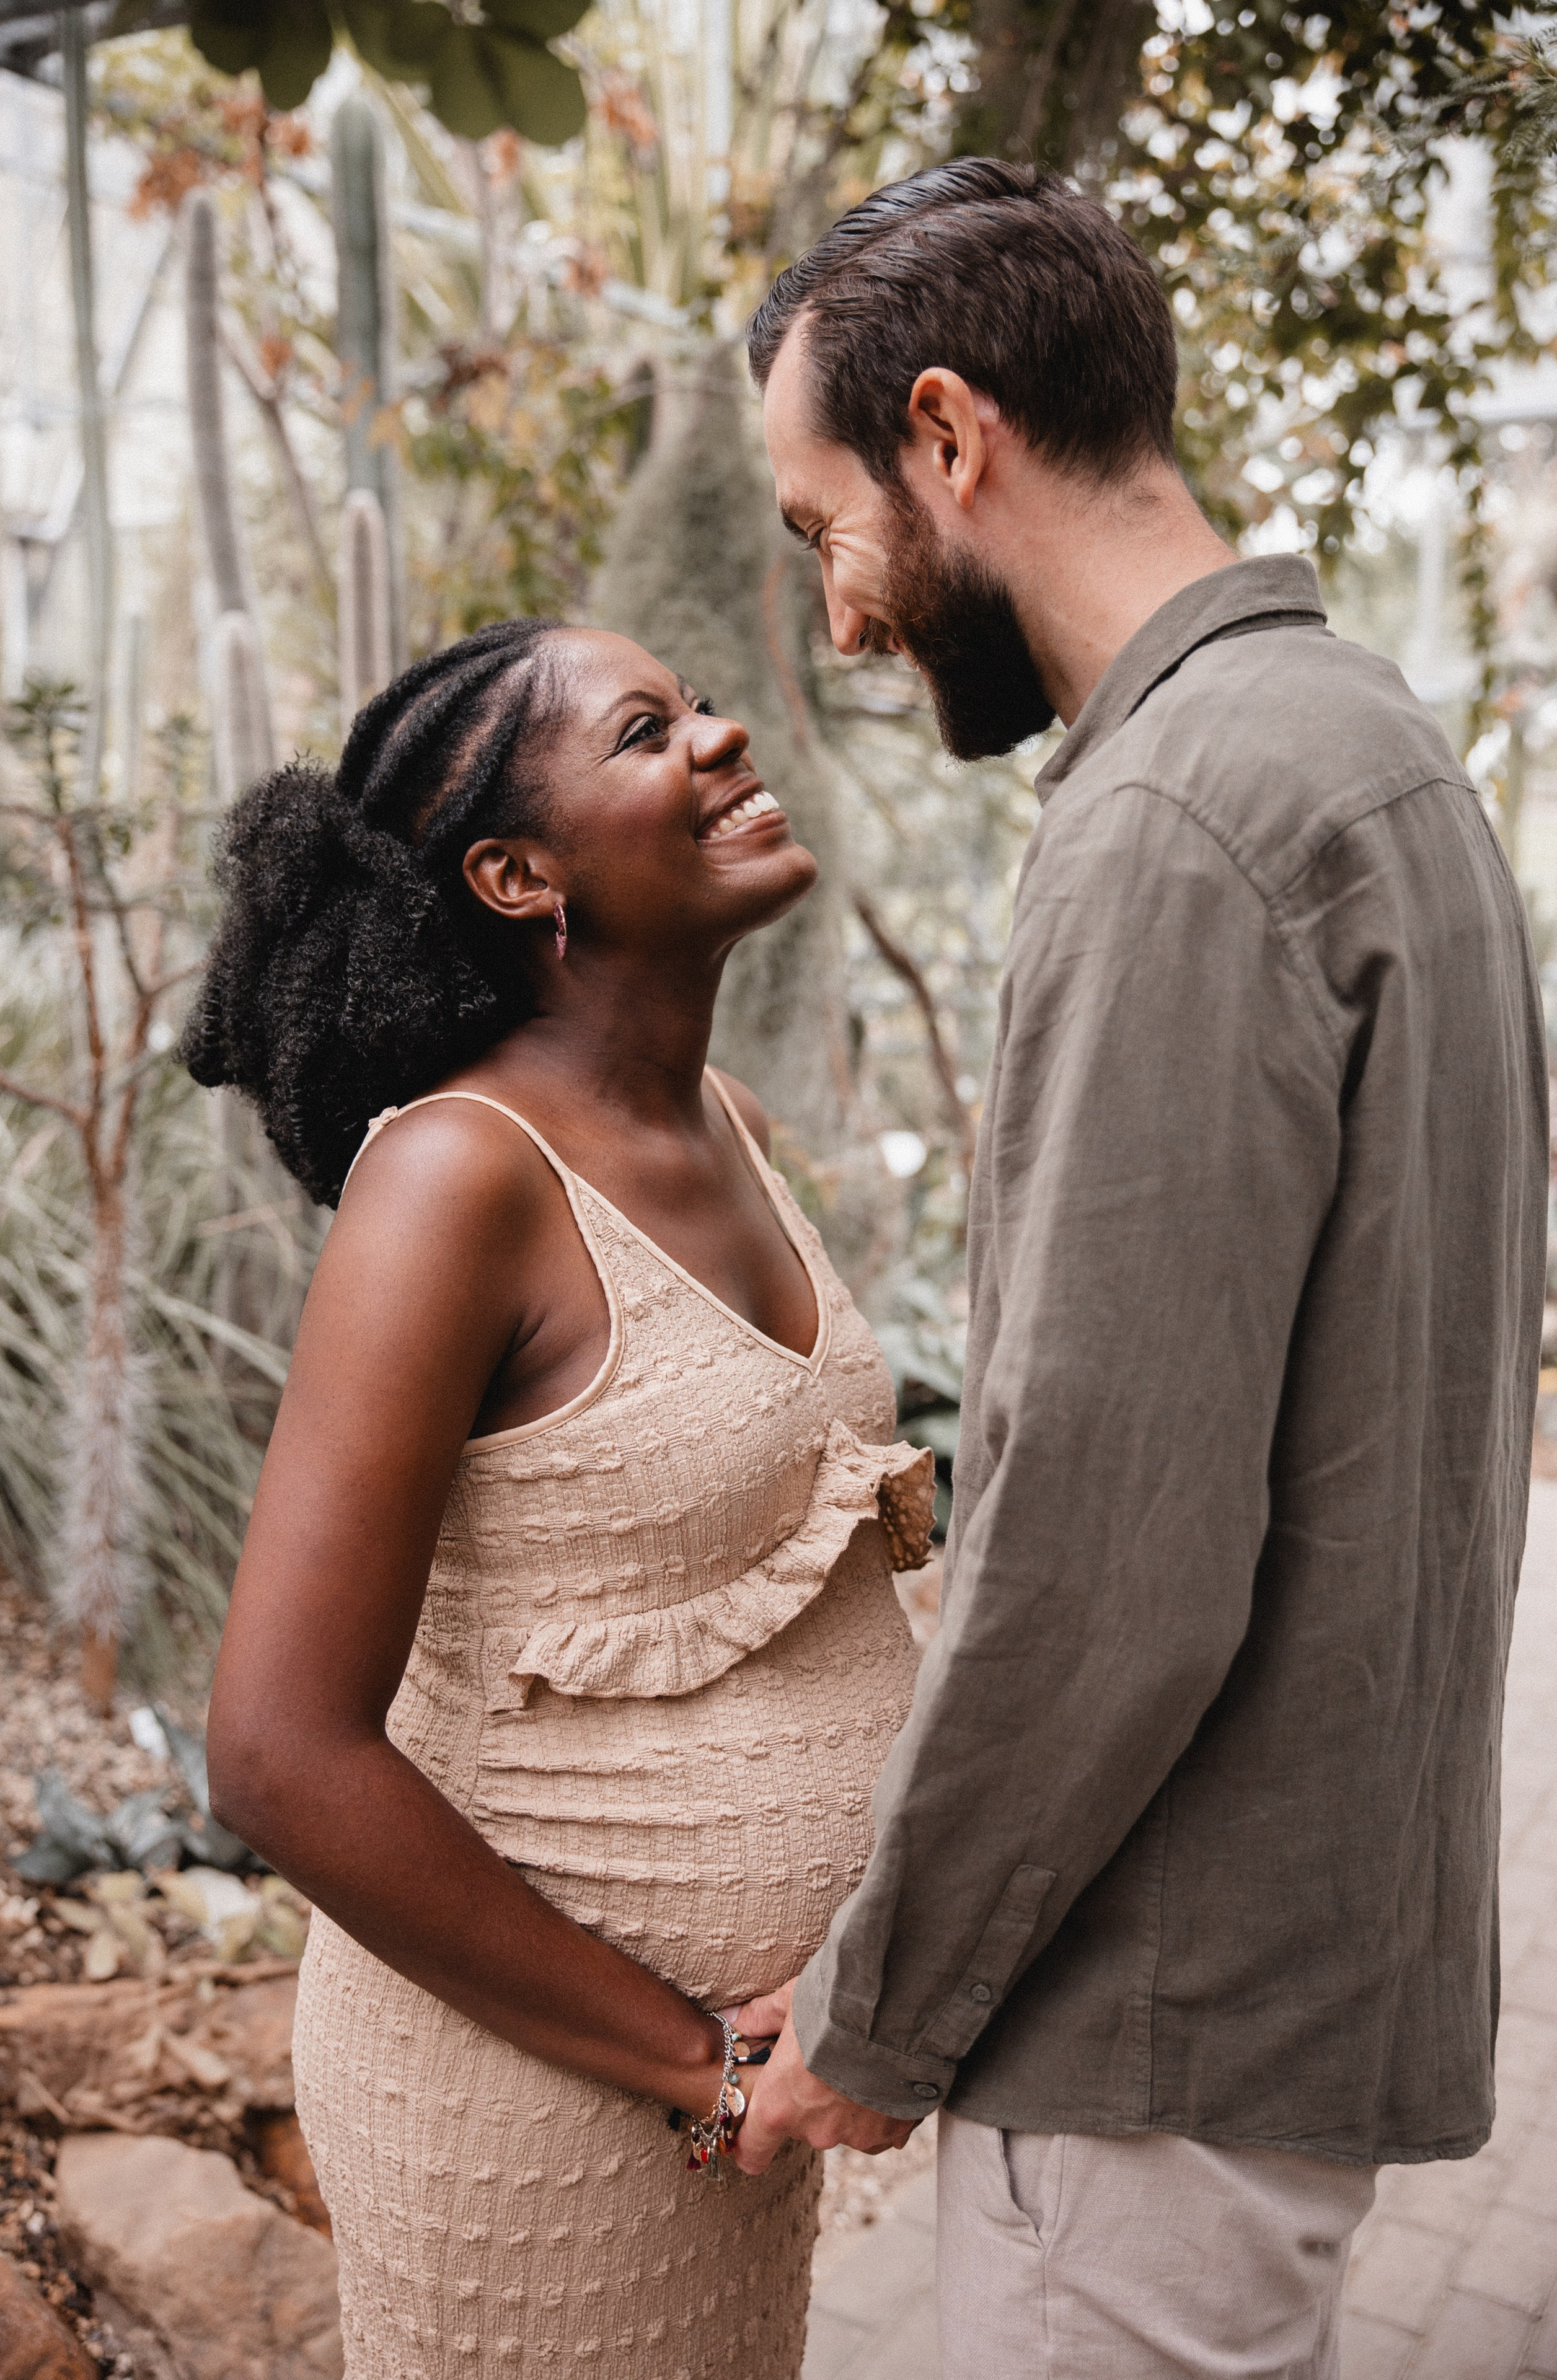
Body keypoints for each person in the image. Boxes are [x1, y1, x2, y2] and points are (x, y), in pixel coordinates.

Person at [730, 157, 1548, 2378]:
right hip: (1275, 1975)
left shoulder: (1181, 818)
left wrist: (886, 2010)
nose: (843, 617)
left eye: (827, 529)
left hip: (1149, 2021)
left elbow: (1107, 1536)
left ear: (948, 436)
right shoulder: (1372, 750)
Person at [185, 619, 933, 2377]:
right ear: (519, 873)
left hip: (740, 2098)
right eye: (648, 728)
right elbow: (281, 1749)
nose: (725, 735)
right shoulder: (458, 1181)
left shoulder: (724, 1125)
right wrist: (700, 2060)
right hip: (545, 2107)